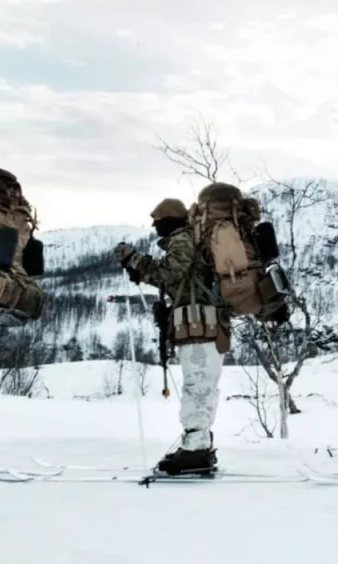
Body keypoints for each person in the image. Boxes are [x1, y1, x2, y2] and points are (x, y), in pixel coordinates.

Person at [114, 198, 229, 476]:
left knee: (197, 385)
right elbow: (179, 279)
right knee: (202, 384)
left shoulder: (182, 240)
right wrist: (141, 269)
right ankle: (197, 442)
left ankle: (196, 449)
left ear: (170, 221)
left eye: (158, 221)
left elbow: (170, 272)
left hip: (198, 323)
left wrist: (135, 259)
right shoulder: (190, 241)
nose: (154, 225)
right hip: (202, 324)